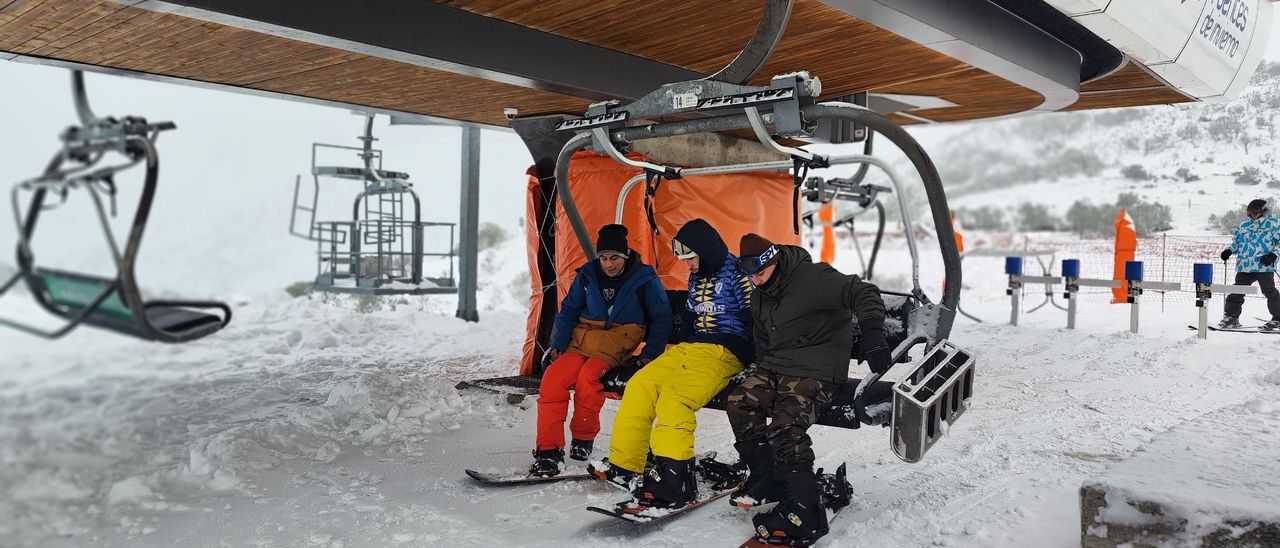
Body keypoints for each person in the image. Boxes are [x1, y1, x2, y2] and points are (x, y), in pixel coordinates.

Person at [726, 233, 890, 546]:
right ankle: (767, 478)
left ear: (774, 261)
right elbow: (761, 337)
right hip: (776, 366)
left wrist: (871, 331)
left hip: (817, 369)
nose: (756, 281)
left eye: (760, 273)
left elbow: (862, 291)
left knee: (785, 425)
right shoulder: (760, 293)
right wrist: (761, 371)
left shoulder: (813, 279)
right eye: (751, 276)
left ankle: (806, 510)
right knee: (740, 401)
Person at [588, 218, 754, 509]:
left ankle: (675, 478)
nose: (687, 265)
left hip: (724, 350)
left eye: (689, 258)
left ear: (705, 251)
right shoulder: (698, 275)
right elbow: (690, 313)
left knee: (674, 400)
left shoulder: (739, 273)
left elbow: (756, 316)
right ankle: (627, 463)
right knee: (640, 384)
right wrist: (689, 339)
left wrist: (755, 359)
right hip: (691, 348)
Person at [531, 224, 672, 476]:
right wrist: (558, 344)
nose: (609, 264)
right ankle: (548, 451)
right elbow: (570, 310)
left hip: (617, 340)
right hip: (582, 338)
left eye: (615, 258)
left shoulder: (644, 278)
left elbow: (661, 317)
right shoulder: (587, 275)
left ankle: (583, 439)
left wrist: (650, 353)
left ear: (625, 255)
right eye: (604, 258)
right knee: (553, 379)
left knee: (589, 376)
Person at [1220, 199, 1280, 331]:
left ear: (1263, 210)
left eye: (1256, 211)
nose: (1253, 214)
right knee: (1237, 290)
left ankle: (1278, 319)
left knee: (1269, 291)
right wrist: (1229, 250)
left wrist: (1273, 255)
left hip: (1263, 265)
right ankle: (1231, 318)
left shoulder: (1274, 223)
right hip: (1245, 265)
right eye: (1250, 211)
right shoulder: (1244, 225)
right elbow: (1237, 243)